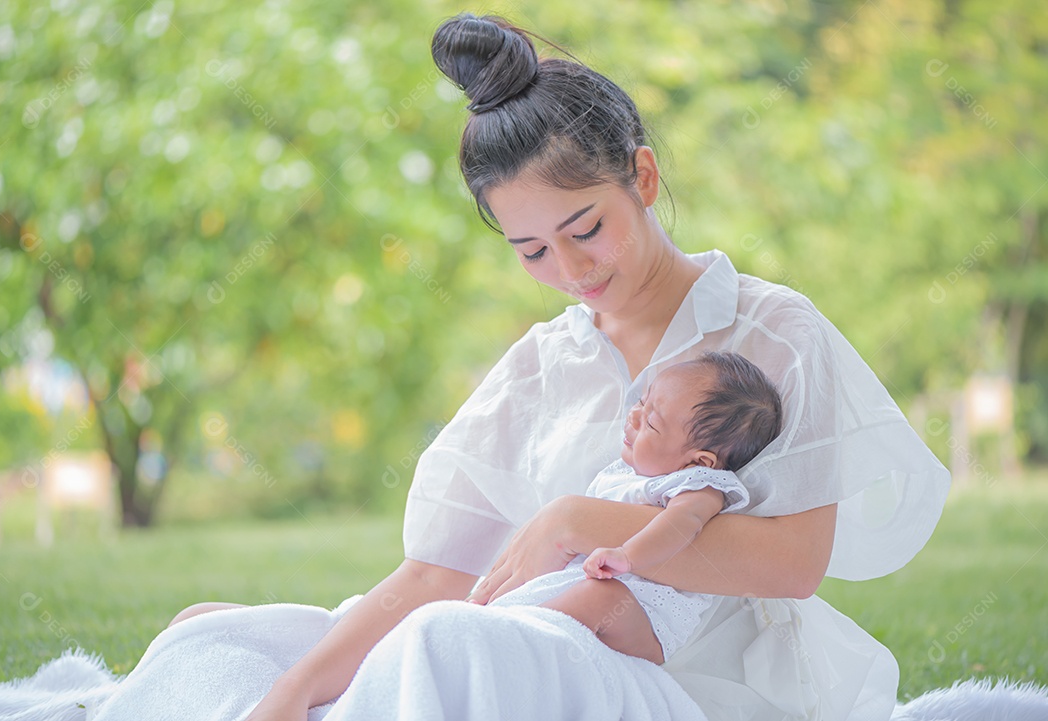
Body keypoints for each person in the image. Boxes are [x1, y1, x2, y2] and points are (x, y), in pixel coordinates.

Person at [168, 12, 949, 720]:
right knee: (210, 639)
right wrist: (294, 689)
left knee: (447, 648)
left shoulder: (773, 330)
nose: (571, 269)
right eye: (533, 250)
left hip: (685, 674)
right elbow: (438, 573)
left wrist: (575, 520)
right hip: (519, 638)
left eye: (586, 228)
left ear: (641, 179)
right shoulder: (544, 362)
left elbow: (791, 562)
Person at [488, 351, 783, 666]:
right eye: (642, 402)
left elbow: (682, 523)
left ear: (699, 460)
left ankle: (512, 652)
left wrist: (628, 555)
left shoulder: (701, 485)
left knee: (598, 598)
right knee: (524, 598)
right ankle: (507, 633)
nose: (633, 416)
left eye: (651, 422)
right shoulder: (628, 475)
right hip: (590, 588)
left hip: (645, 618)